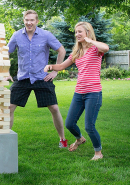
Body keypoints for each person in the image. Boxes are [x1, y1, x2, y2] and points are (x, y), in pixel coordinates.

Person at [44, 22, 109, 160]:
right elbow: (61, 66)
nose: (77, 34)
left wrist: (90, 40)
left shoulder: (95, 49)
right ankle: (80, 139)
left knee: (89, 126)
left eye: (80, 31)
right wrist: (51, 66)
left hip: (93, 92)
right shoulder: (76, 52)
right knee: (69, 123)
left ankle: (98, 153)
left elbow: (106, 47)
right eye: (76, 32)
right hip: (79, 92)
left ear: (88, 32)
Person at [6, 10, 68, 148]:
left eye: (32, 20)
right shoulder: (16, 36)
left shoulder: (46, 35)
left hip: (42, 77)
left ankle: (62, 139)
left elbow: (61, 50)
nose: (29, 22)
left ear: (37, 21)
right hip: (23, 78)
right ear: (24, 20)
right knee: (9, 107)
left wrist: (55, 71)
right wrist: (6, 71)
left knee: (54, 108)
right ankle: (6, 138)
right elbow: (6, 53)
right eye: (27, 20)